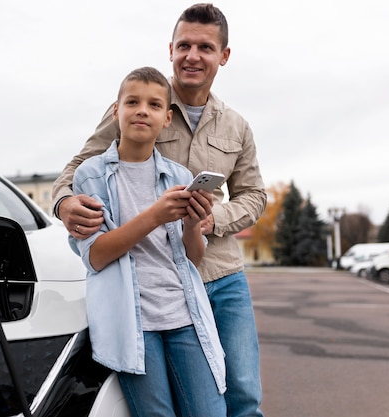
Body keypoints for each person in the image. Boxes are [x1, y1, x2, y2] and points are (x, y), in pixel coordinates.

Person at [52, 4, 267, 417]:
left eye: (205, 47)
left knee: (242, 393)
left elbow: (254, 195)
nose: (193, 55)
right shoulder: (139, 104)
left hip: (219, 274)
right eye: (184, 45)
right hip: (148, 285)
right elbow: (81, 166)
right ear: (170, 49)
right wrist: (64, 203)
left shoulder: (236, 127)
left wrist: (211, 219)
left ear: (223, 55)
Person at [69, 66, 226, 417]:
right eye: (132, 102)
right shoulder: (91, 175)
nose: (142, 110)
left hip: (184, 314)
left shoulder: (180, 176)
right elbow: (95, 256)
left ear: (166, 118)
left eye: (154, 105)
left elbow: (192, 257)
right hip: (133, 322)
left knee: (210, 411)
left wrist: (191, 223)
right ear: (116, 111)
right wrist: (155, 216)